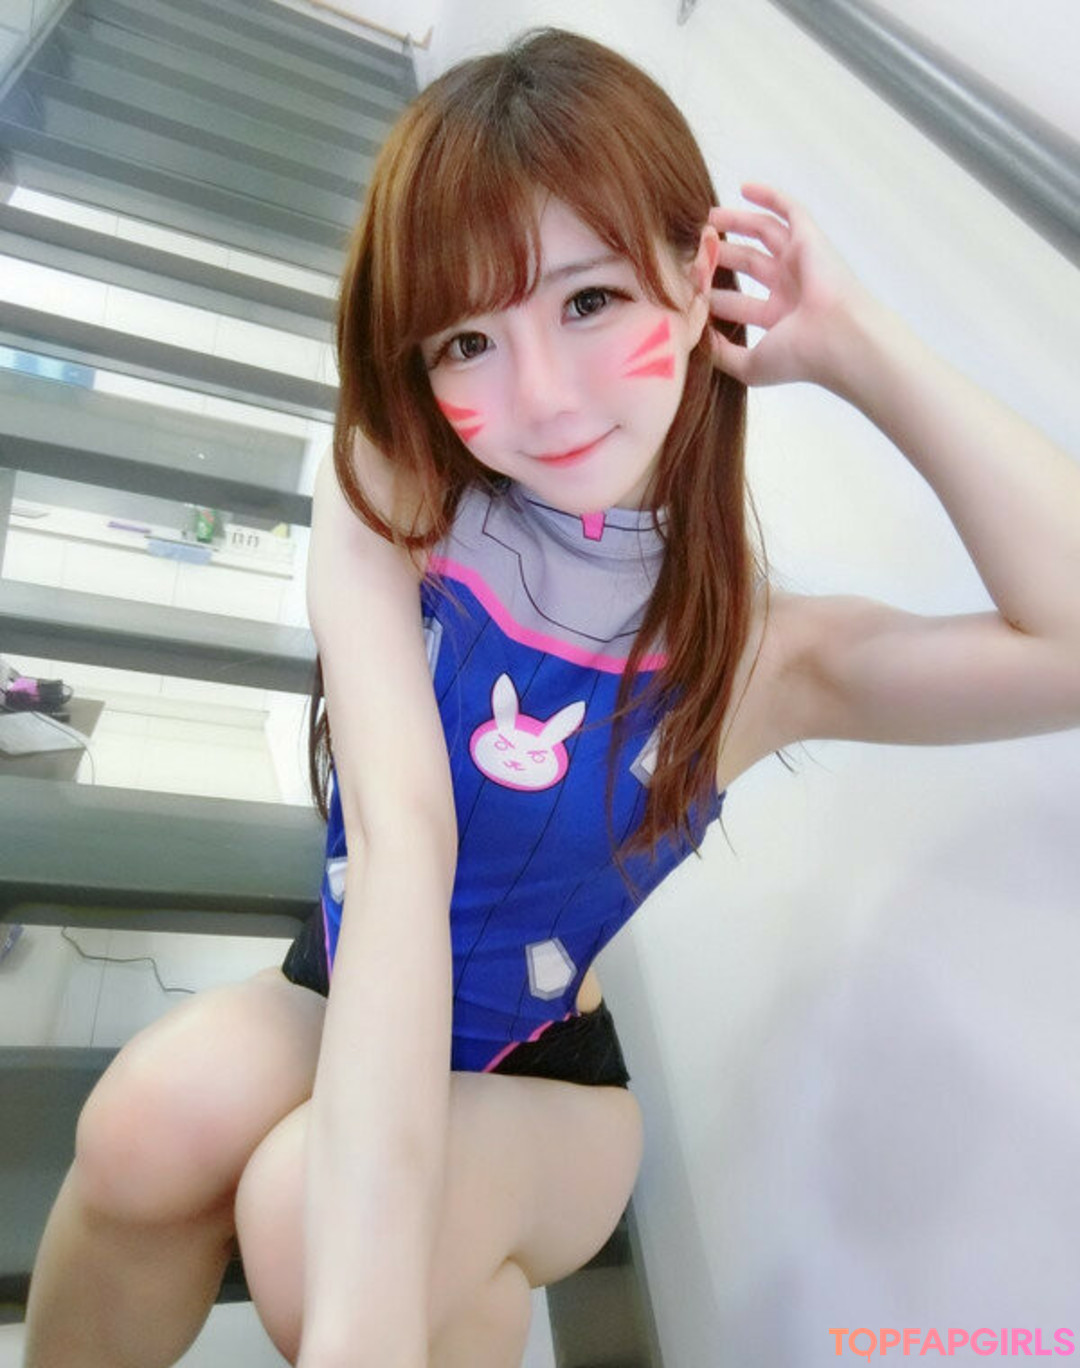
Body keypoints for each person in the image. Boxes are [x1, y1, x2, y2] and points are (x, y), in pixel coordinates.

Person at [22, 25, 1079, 1368]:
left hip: (546, 1085)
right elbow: (402, 844)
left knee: (302, 1217)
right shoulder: (395, 495)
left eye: (589, 303)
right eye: (468, 337)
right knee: (136, 1128)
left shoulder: (761, 656)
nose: (539, 396)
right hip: (354, 974)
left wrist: (861, 347)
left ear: (697, 282)